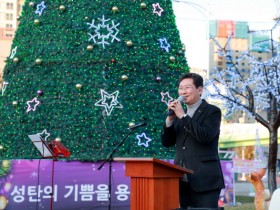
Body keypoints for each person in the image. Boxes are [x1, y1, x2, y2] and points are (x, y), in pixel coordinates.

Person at [161, 72, 225, 209]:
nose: (183, 91)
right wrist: (169, 121)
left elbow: (205, 136)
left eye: (188, 87)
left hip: (205, 181)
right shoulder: (178, 115)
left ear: (200, 90)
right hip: (182, 181)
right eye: (180, 88)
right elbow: (167, 142)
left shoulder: (212, 112)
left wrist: (182, 116)